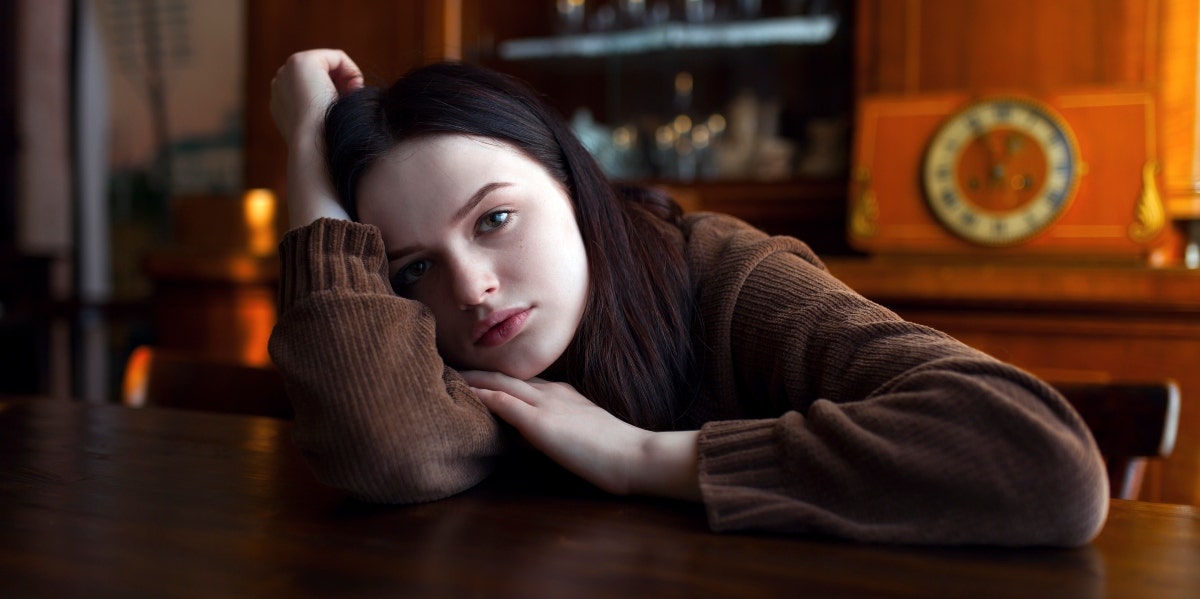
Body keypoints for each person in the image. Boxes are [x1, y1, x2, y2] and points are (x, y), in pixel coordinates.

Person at [267, 49, 1108, 546]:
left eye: (495, 218)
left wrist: (643, 456)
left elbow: (1045, 462)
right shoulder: (434, 352)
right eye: (414, 268)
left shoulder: (721, 271)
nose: (471, 287)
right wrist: (308, 154)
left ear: (577, 185)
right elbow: (388, 448)